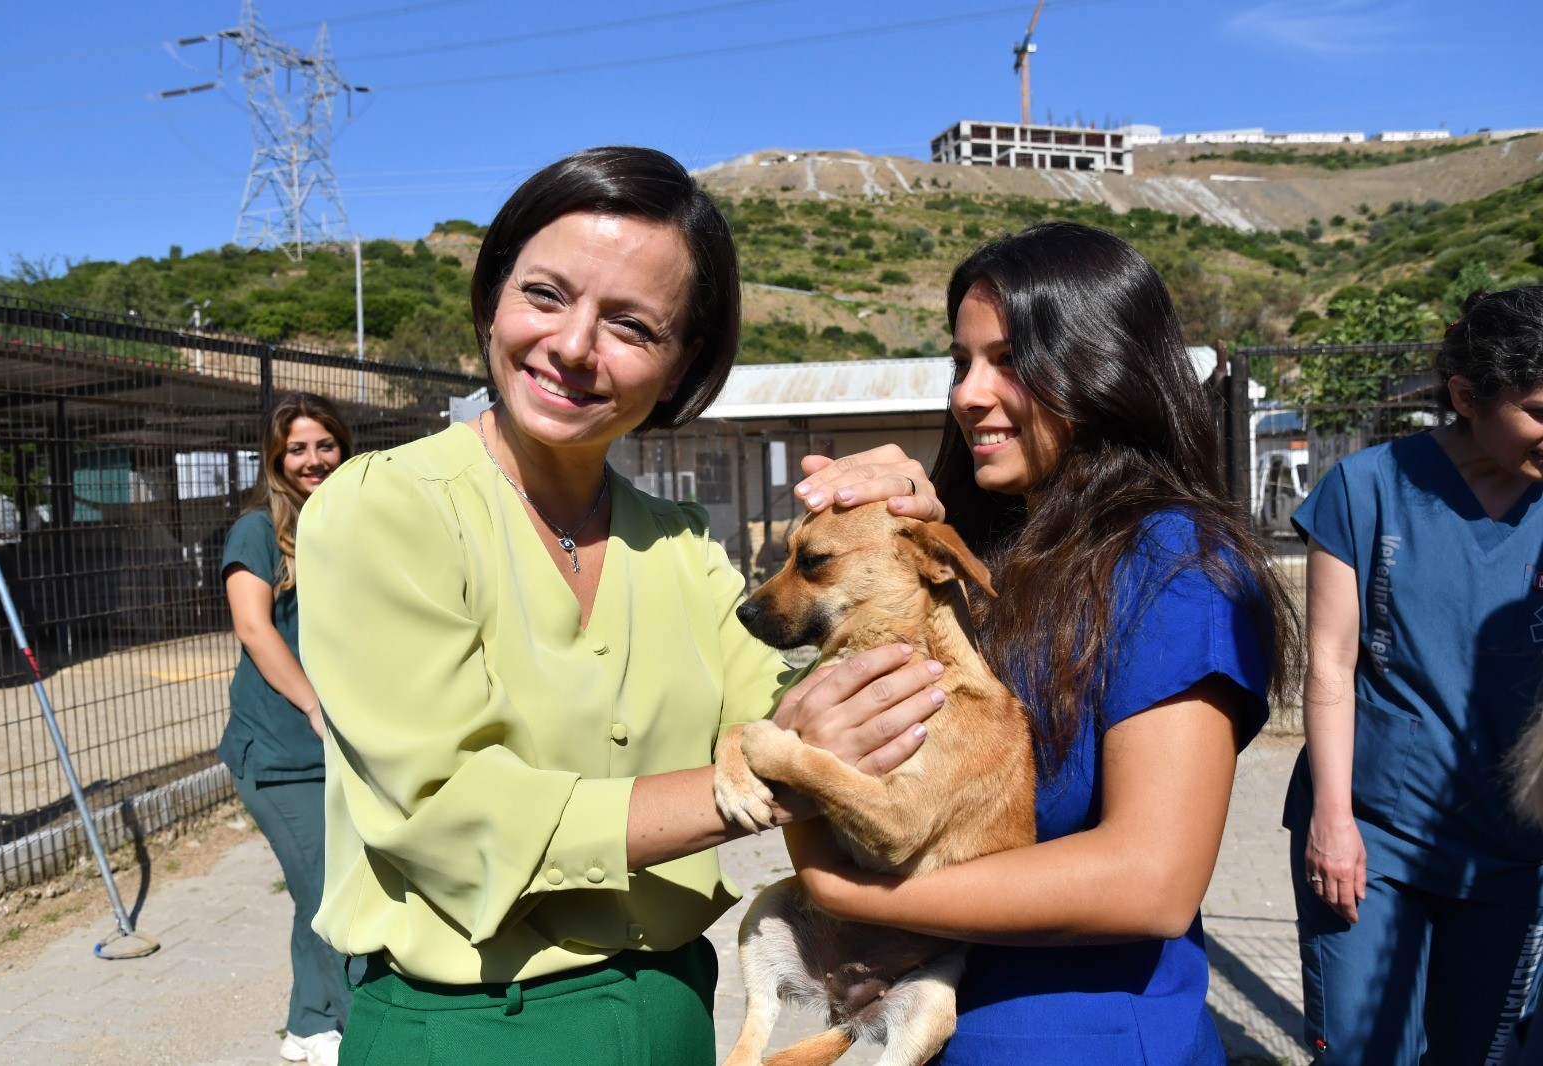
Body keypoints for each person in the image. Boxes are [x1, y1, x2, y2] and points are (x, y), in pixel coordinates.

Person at [292, 145, 945, 1065]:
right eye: (547, 295)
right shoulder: (384, 509)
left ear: (681, 368)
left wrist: (896, 547)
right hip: (476, 1027)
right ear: (492, 299)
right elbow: (451, 810)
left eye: (632, 326)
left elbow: (801, 709)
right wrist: (760, 783)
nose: (571, 345)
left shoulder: (678, 543)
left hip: (676, 1012)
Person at [780, 220, 1299, 1064]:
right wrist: (901, 526)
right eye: (962, 362)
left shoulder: (1173, 566)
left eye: (1011, 360)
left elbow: (1151, 880)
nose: (968, 393)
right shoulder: (1001, 548)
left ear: (1104, 367)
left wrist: (852, 891)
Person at [1284, 285, 1543, 1065]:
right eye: (1539, 409)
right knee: (1365, 1051)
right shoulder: (1365, 487)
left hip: (1513, 847)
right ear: (1466, 397)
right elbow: (1331, 663)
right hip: (1373, 834)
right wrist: (1334, 820)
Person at [221, 391, 356, 1066]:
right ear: (276, 457)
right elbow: (253, 627)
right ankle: (368, 1035)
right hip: (279, 751)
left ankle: (309, 1026)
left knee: (316, 887)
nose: (313, 460)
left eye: (324, 445)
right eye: (297, 448)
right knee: (334, 892)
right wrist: (312, 705)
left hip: (335, 747)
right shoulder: (257, 529)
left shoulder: (341, 519)